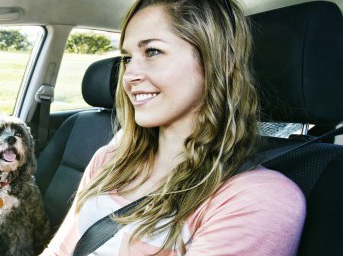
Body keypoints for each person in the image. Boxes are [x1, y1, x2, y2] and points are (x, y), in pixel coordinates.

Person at [42, 0, 306, 255]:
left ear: (218, 62)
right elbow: (61, 250)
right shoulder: (110, 161)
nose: (130, 76)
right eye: (127, 58)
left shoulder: (258, 199)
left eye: (152, 52)